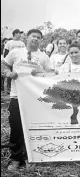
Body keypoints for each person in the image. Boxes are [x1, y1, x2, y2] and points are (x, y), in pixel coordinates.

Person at [2, 29, 53, 171]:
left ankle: (31, 157)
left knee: (34, 128)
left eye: (38, 37)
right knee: (16, 127)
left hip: (35, 98)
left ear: (41, 40)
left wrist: (41, 73)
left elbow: (50, 74)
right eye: (33, 36)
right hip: (16, 95)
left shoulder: (43, 57)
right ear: (27, 38)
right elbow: (4, 64)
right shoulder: (16, 52)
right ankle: (16, 159)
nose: (35, 39)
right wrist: (7, 72)